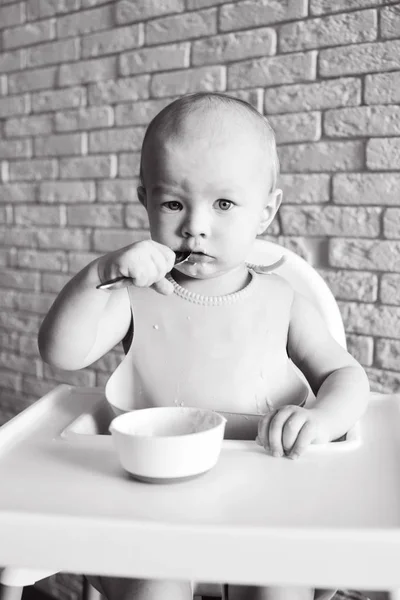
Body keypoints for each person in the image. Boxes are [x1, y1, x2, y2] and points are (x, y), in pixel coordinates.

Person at [38, 92, 370, 600]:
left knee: (277, 588)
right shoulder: (133, 296)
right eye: (173, 202)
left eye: (223, 204)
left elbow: (346, 377)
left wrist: (321, 420)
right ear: (144, 201)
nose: (195, 224)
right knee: (154, 588)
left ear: (265, 211)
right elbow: (61, 354)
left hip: (267, 500)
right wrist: (97, 278)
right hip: (150, 503)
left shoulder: (283, 302)